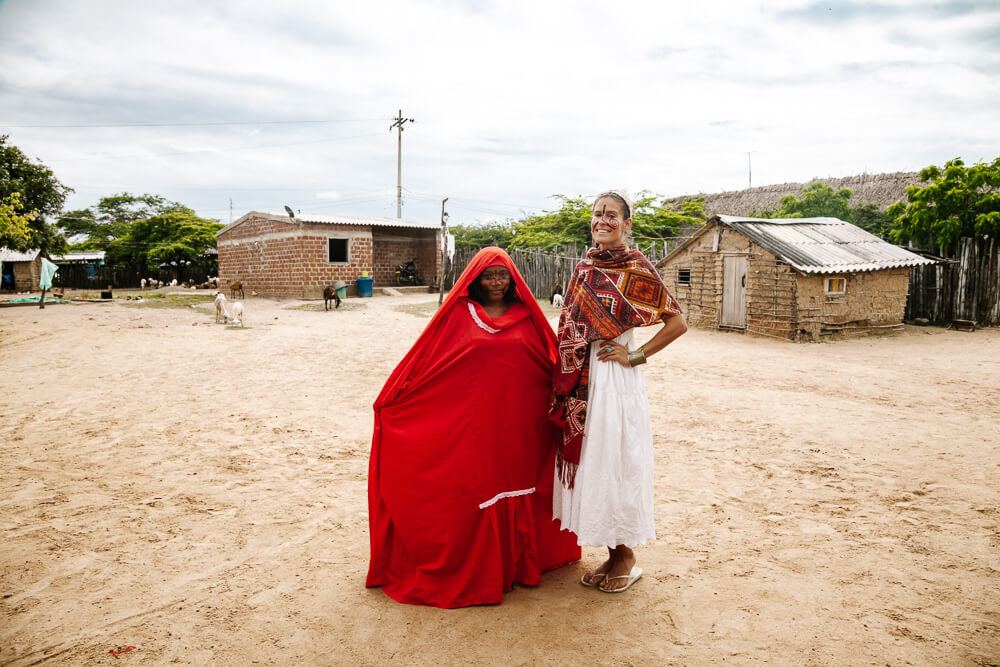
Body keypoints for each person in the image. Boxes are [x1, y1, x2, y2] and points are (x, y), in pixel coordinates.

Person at [367, 247, 581, 608]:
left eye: (502, 276)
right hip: (476, 422)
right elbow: (430, 361)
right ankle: (485, 568)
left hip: (521, 421)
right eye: (489, 276)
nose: (496, 282)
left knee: (519, 478)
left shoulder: (526, 316)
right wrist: (397, 398)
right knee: (480, 482)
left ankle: (527, 562)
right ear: (475, 279)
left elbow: (551, 362)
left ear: (513, 280)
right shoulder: (459, 316)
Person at [549, 189, 687, 593]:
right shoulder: (584, 268)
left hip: (616, 379)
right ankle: (611, 554)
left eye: (611, 215)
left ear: (627, 224)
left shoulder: (636, 268)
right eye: (596, 214)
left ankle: (627, 555)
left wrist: (636, 355)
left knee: (618, 460)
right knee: (596, 462)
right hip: (583, 383)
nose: (602, 221)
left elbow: (676, 323)